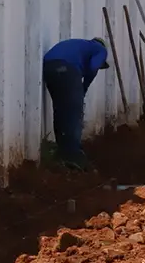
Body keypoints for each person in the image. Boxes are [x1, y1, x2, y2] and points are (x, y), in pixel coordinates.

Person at [42, 37, 110, 168]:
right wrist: (85, 86)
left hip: (49, 67)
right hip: (68, 69)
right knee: (74, 111)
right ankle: (74, 155)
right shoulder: (100, 49)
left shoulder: (79, 45)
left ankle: (62, 152)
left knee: (60, 110)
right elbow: (93, 66)